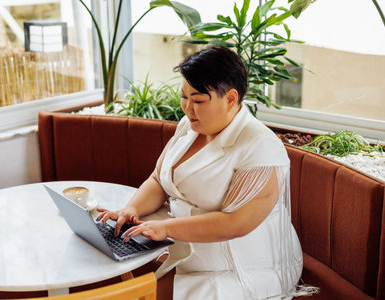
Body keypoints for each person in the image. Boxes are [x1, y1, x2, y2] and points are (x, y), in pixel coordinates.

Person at [97, 46, 305, 299]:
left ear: (230, 98)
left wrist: (166, 229)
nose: (187, 108)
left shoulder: (260, 147)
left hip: (245, 264)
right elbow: (158, 180)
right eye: (184, 97)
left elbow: (235, 223)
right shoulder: (190, 125)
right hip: (188, 250)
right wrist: (132, 209)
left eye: (197, 100)